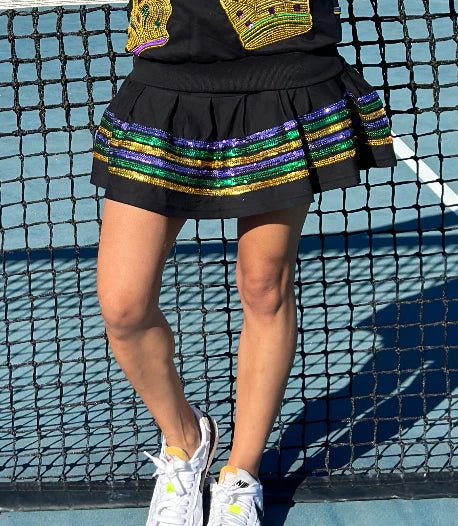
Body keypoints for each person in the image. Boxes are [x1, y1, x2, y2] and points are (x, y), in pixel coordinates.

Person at [90, 1, 397, 524]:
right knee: (123, 304)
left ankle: (241, 474)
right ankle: (185, 440)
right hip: (168, 82)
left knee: (264, 286)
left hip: (280, 79)